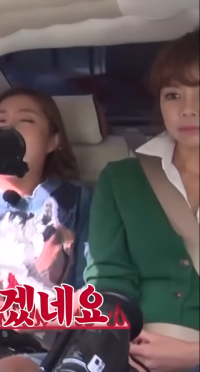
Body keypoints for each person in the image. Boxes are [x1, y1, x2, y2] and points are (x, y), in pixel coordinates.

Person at [84, 29, 199, 372]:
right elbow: (108, 277)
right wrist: (116, 346)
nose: (188, 110)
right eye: (173, 95)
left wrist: (193, 354)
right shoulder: (121, 180)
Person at [0, 88, 93, 372]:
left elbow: (93, 289)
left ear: (52, 141)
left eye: (26, 120)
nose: (9, 129)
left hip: (46, 350)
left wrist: (46, 314)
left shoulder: (76, 202)